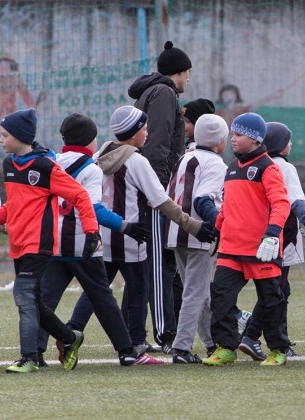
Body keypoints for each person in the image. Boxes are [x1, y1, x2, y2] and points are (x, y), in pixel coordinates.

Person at [68, 105, 210, 357]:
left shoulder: (100, 154)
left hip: (103, 235)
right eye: (144, 129)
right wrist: (193, 225)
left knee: (97, 289)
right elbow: (161, 200)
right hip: (132, 237)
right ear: (134, 133)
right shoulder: (137, 161)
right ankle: (135, 341)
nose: (147, 133)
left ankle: (72, 329)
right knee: (138, 290)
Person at [37, 113, 164, 367]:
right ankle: (128, 351)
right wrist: (126, 226)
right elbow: (94, 208)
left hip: (54, 243)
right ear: (90, 141)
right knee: (103, 299)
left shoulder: (52, 162)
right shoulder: (90, 168)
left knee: (44, 300)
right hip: (83, 243)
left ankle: (35, 353)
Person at [0, 108, 94, 373]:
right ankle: (69, 338)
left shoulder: (46, 167)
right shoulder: (10, 164)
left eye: (5, 135)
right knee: (34, 299)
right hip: (18, 244)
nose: (1, 140)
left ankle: (30, 357)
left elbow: (80, 195)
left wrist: (92, 231)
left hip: (40, 243)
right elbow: (14, 204)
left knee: (23, 294)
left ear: (21, 136)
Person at [203, 113, 291, 367]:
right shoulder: (231, 168)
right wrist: (218, 229)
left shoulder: (268, 168)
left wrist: (273, 234)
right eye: (232, 134)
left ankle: (278, 349)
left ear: (254, 139)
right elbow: (229, 207)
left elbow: (281, 204)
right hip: (231, 248)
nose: (233, 139)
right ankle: (226, 347)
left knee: (271, 300)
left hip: (261, 248)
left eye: (238, 135)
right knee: (220, 296)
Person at [236, 122, 305, 359]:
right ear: (280, 144)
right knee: (276, 290)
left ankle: (276, 340)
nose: (291, 145)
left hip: (256, 236)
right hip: (281, 237)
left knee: (278, 289)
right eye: (288, 141)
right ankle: (253, 336)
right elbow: (295, 201)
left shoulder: (252, 164)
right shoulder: (283, 167)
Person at [127, 41, 193, 350]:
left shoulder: (150, 91)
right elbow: (158, 142)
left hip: (149, 187)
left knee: (146, 264)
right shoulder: (165, 93)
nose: (188, 79)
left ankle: (134, 333)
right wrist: (160, 188)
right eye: (187, 73)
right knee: (158, 263)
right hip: (155, 192)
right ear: (177, 73)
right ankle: (166, 334)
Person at [166, 114, 227, 363]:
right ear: (219, 140)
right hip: (199, 233)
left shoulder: (185, 157)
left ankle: (212, 342)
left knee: (199, 291)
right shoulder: (216, 164)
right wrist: (218, 225)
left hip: (175, 230)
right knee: (195, 292)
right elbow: (203, 199)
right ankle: (181, 348)